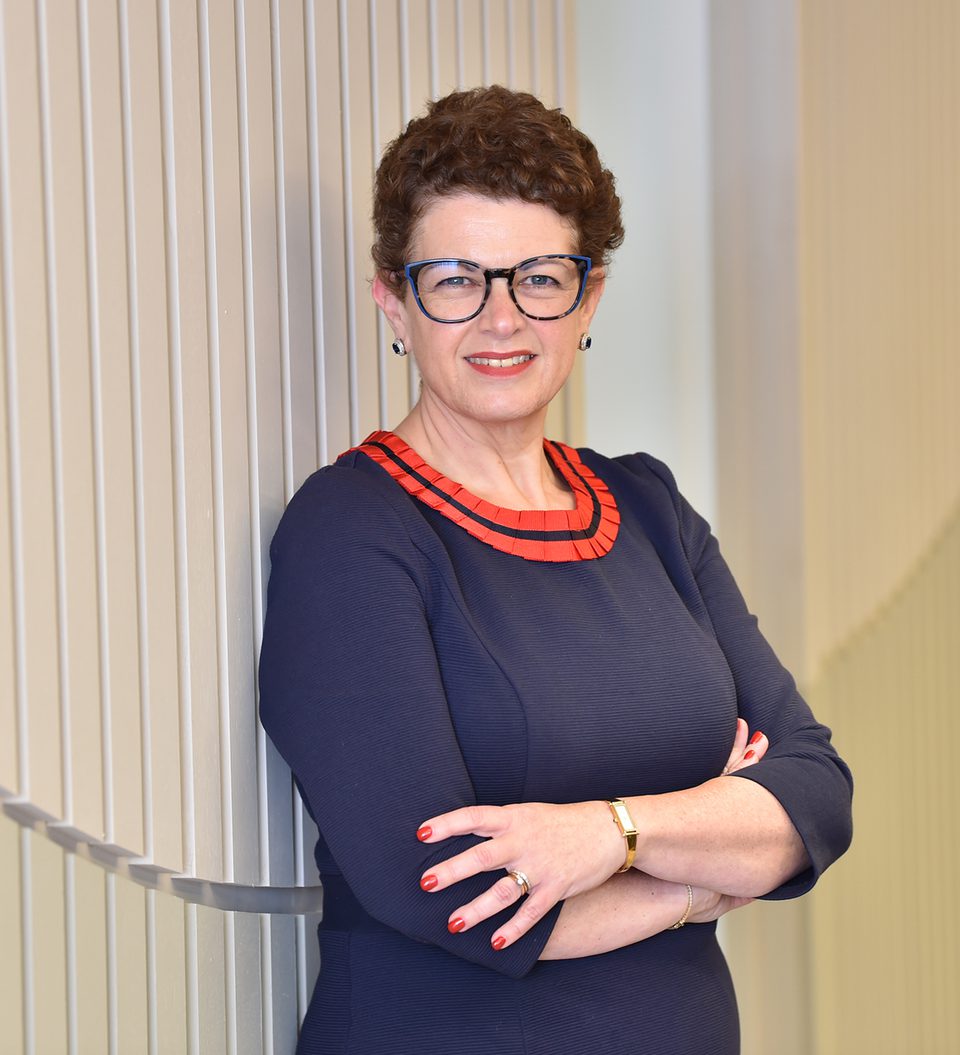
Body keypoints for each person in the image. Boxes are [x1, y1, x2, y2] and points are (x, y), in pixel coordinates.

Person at [258, 86, 853, 1055]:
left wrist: (604, 834)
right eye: (457, 279)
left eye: (539, 277)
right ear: (393, 301)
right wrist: (701, 874)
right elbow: (449, 891)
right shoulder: (353, 530)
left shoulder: (649, 509)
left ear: (589, 297)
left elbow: (814, 794)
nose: (502, 318)